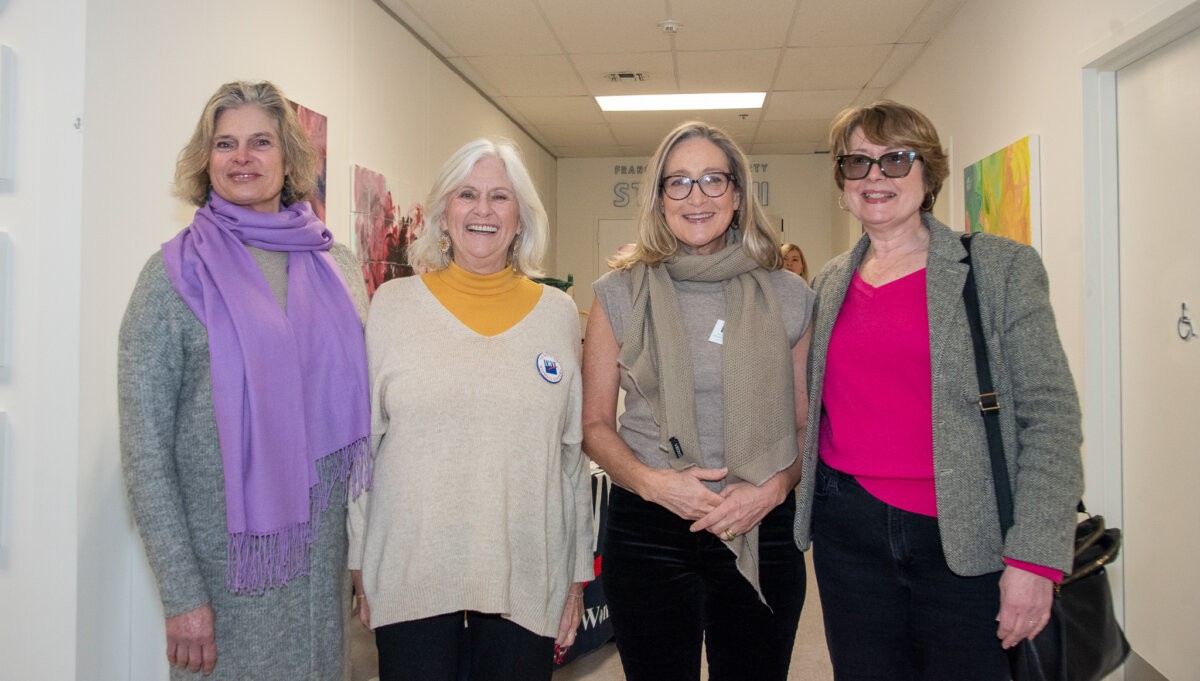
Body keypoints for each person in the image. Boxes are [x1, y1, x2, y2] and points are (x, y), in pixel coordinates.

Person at [792, 100, 1083, 680]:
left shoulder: (998, 269)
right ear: (842, 182)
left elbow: (1051, 418)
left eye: (896, 159)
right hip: (849, 535)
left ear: (928, 174)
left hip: (968, 536)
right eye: (857, 163)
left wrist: (1035, 558)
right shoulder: (826, 283)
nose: (875, 177)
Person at [118, 80, 370, 680]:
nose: (242, 157)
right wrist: (182, 596)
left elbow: (360, 430)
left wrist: (365, 556)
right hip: (224, 578)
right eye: (225, 143)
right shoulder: (171, 277)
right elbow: (144, 450)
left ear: (289, 159)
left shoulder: (338, 268)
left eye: (260, 141)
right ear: (205, 160)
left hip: (320, 578)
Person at [348, 137, 593, 681]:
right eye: (467, 195)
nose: (483, 210)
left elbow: (572, 459)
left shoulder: (557, 315)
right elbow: (363, 447)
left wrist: (576, 577)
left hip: (526, 573)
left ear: (521, 219)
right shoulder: (393, 307)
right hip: (412, 571)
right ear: (443, 214)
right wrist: (360, 559)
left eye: (500, 197)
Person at [581, 121, 815, 681]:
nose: (697, 197)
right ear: (659, 199)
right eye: (678, 182)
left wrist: (774, 487)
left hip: (762, 525)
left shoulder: (791, 295)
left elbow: (807, 423)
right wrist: (653, 483)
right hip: (650, 527)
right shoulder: (616, 294)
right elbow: (593, 423)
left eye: (713, 179)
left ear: (737, 193)